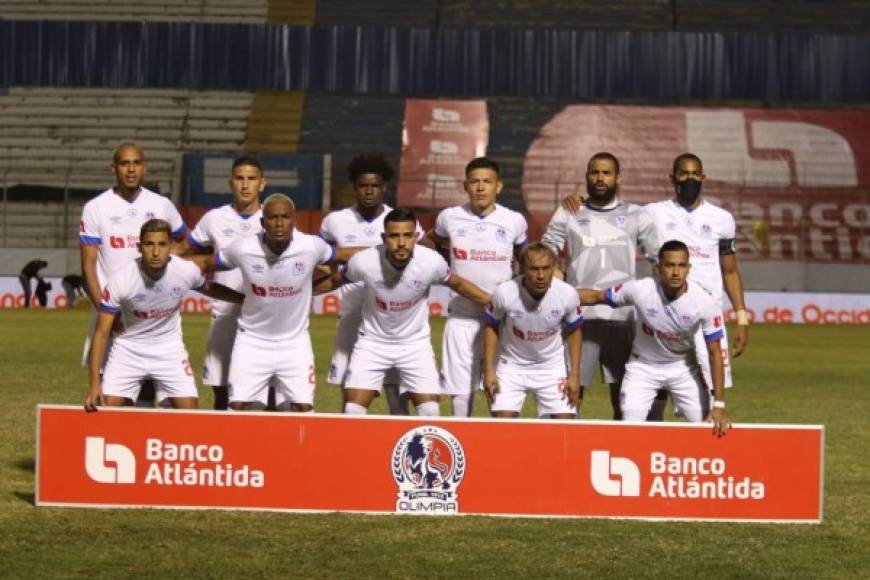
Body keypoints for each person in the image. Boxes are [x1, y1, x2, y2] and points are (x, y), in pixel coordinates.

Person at [210, 194, 360, 412]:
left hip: (295, 343)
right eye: (272, 218)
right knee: (239, 408)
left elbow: (344, 255)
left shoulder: (311, 246)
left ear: (294, 220)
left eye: (285, 217)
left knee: (302, 409)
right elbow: (205, 263)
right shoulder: (243, 248)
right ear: (262, 223)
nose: (279, 223)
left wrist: (383, 252)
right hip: (251, 341)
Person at [342, 209, 491, 417]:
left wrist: (494, 303)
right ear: (384, 238)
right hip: (372, 344)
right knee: (353, 411)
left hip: (415, 345)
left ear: (416, 237)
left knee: (430, 412)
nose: (401, 243)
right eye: (394, 236)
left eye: (407, 235)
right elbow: (334, 280)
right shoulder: (364, 261)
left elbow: (458, 284)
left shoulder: (431, 262)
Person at [83, 219, 243, 411]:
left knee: (190, 412)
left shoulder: (185, 270)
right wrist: (94, 384)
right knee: (107, 409)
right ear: (139, 247)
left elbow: (209, 288)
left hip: (169, 350)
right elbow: (100, 333)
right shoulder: (121, 280)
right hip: (128, 350)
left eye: (162, 244)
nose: (156, 252)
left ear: (170, 247)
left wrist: (243, 299)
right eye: (150, 244)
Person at [543, 152, 656, 419]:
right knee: (571, 394)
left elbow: (659, 257)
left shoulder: (636, 215)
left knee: (624, 399)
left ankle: (621, 449)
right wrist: (557, 278)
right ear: (586, 177)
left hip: (622, 317)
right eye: (594, 172)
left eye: (606, 173)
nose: (600, 178)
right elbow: (545, 254)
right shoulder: (569, 211)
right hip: (580, 318)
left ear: (618, 177)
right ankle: (568, 454)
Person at [579, 240, 731, 437]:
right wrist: (555, 293)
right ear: (658, 267)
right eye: (669, 265)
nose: (676, 272)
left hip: (684, 368)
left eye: (681, 265)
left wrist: (718, 405)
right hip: (643, 368)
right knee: (630, 428)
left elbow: (715, 353)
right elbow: (596, 297)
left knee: (705, 426)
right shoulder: (641, 290)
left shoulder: (704, 303)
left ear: (689, 268)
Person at [79, 144, 188, 407]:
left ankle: (145, 442)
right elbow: (88, 266)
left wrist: (172, 267)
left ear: (144, 167)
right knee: (108, 386)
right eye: (124, 163)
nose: (131, 169)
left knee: (154, 386)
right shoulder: (96, 208)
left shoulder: (161, 205)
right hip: (111, 308)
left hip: (153, 309)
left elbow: (185, 242)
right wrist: (105, 309)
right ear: (113, 167)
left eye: (136, 163)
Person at [320, 154, 423, 415]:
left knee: (396, 393)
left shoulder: (399, 220)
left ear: (383, 188)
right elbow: (323, 259)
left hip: (392, 318)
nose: (369, 190)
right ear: (354, 187)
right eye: (363, 185)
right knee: (351, 391)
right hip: (353, 313)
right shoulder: (335, 221)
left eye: (374, 186)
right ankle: (349, 445)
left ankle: (398, 446)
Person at [645, 153, 749, 411]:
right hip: (665, 315)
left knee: (711, 396)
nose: (690, 179)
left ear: (703, 178)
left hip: (707, 318)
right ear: (672, 177)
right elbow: (615, 217)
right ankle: (651, 448)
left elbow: (730, 272)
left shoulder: (722, 219)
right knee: (656, 391)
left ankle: (703, 450)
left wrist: (741, 317)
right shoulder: (652, 213)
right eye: (683, 173)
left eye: (695, 174)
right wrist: (581, 203)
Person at [426, 157, 528, 417]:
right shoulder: (449, 217)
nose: (480, 187)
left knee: (501, 394)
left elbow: (526, 258)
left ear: (499, 186)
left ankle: (498, 451)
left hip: (502, 322)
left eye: (487, 182)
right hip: (462, 318)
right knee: (461, 396)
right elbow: (431, 245)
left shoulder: (514, 220)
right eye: (475, 182)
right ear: (465, 185)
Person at [178, 155, 266, 410]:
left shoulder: (273, 221)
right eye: (240, 179)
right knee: (221, 392)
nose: (245, 185)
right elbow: (184, 250)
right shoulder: (214, 219)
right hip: (224, 317)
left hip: (264, 320)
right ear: (231, 183)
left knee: (265, 395)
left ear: (262, 184)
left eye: (252, 179)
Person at [482, 243, 583, 419]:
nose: (541, 276)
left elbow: (575, 331)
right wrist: (489, 371)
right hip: (512, 366)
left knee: (565, 426)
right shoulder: (504, 292)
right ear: (522, 269)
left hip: (552, 367)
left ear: (555, 267)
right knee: (502, 424)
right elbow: (491, 326)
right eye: (534, 269)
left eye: (546, 268)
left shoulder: (567, 294)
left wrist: (574, 375)